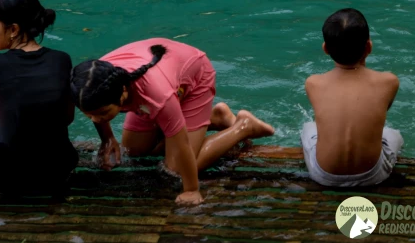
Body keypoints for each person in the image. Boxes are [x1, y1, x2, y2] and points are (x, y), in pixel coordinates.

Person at [71, 39, 275, 205]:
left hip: (193, 76)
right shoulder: (89, 83)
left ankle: (243, 126)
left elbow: (182, 143)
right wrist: (107, 139)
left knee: (175, 169)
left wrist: (191, 190)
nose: (96, 119)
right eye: (89, 114)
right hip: (164, 72)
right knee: (134, 152)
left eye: (103, 112)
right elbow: (93, 107)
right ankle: (215, 118)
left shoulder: (156, 96)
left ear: (123, 93)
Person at [0, 0, 78, 197]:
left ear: (13, 29)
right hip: (57, 173)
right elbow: (67, 117)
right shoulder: (62, 60)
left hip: (3, 177)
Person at [301, 9, 402, 188]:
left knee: (308, 127)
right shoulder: (389, 81)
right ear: (369, 47)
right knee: (393, 134)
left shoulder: (313, 83)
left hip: (323, 175)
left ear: (325, 49)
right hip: (373, 175)